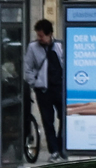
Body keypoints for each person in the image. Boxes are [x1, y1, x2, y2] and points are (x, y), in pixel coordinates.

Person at [21, 21, 65, 159]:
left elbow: (65, 63)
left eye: (41, 36)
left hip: (59, 88)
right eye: (38, 35)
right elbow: (27, 68)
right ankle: (54, 151)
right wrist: (34, 83)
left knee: (65, 118)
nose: (39, 38)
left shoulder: (59, 46)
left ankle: (60, 145)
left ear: (50, 34)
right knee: (47, 121)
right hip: (43, 90)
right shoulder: (33, 48)